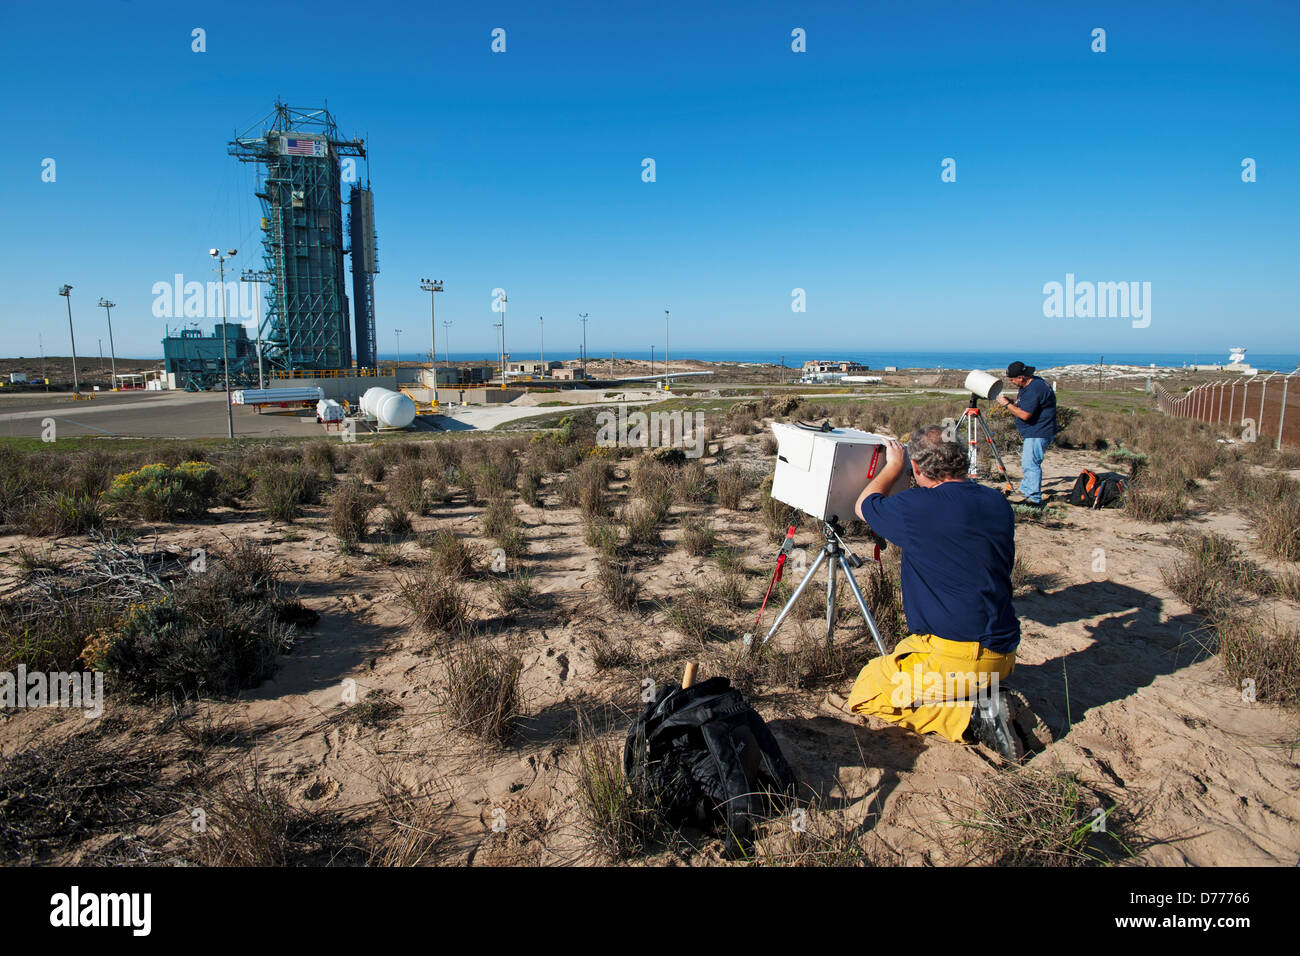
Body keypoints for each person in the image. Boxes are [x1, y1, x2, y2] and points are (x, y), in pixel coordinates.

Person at [843, 426, 1047, 760]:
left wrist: (893, 466)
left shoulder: (916, 508)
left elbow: (864, 506)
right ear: (962, 461)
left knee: (867, 690)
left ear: (918, 469)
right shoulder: (996, 501)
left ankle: (971, 717)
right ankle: (981, 693)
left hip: (959, 659)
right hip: (1004, 653)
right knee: (905, 652)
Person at [998, 360, 1057, 506]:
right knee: (1027, 462)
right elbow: (1025, 403)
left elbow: (1025, 415)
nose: (1011, 382)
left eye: (1012, 380)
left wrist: (1006, 404)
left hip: (1039, 432)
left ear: (1021, 377)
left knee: (1031, 464)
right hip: (1038, 430)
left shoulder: (1034, 389)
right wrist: (1012, 401)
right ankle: (1026, 490)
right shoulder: (1034, 383)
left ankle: (1033, 498)